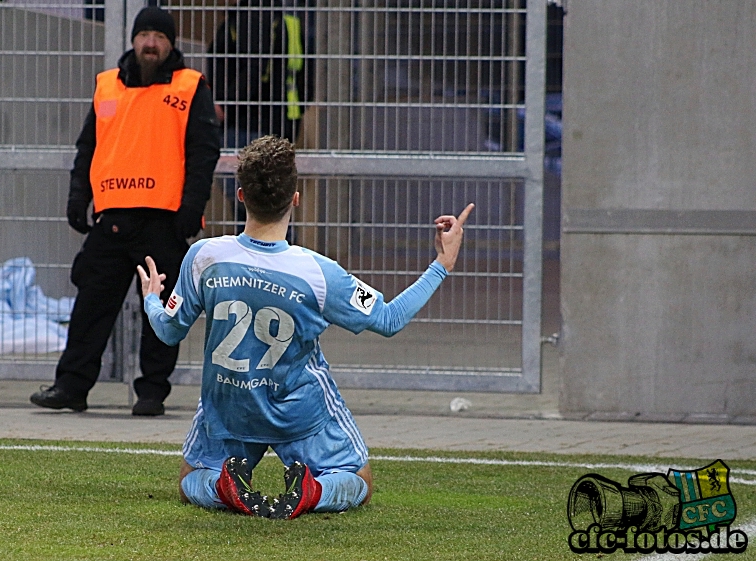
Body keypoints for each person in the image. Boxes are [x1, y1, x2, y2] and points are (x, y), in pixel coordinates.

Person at [136, 135, 474, 518]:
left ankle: (223, 487)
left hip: (231, 406)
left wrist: (151, 297)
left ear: (242, 195)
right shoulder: (319, 273)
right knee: (358, 481)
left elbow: (167, 330)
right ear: (295, 198)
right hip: (296, 411)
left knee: (189, 481)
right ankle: (311, 492)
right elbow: (390, 319)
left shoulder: (204, 256)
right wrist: (441, 264)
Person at [30, 6, 220, 416]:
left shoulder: (190, 87)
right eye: (144, 35)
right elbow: (88, 147)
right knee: (90, 306)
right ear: (133, 40)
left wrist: (190, 208)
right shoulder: (107, 87)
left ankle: (152, 392)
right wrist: (77, 197)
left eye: (159, 37)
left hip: (163, 221)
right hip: (112, 219)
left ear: (171, 44)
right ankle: (71, 386)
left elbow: (203, 154)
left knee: (161, 314)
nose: (150, 43)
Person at [207, 0, 308, 232]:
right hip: (275, 120)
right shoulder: (280, 20)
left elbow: (255, 65)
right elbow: (304, 76)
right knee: (270, 204)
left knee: (253, 204)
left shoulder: (253, 15)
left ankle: (257, 259)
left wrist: (226, 104)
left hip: (248, 123)